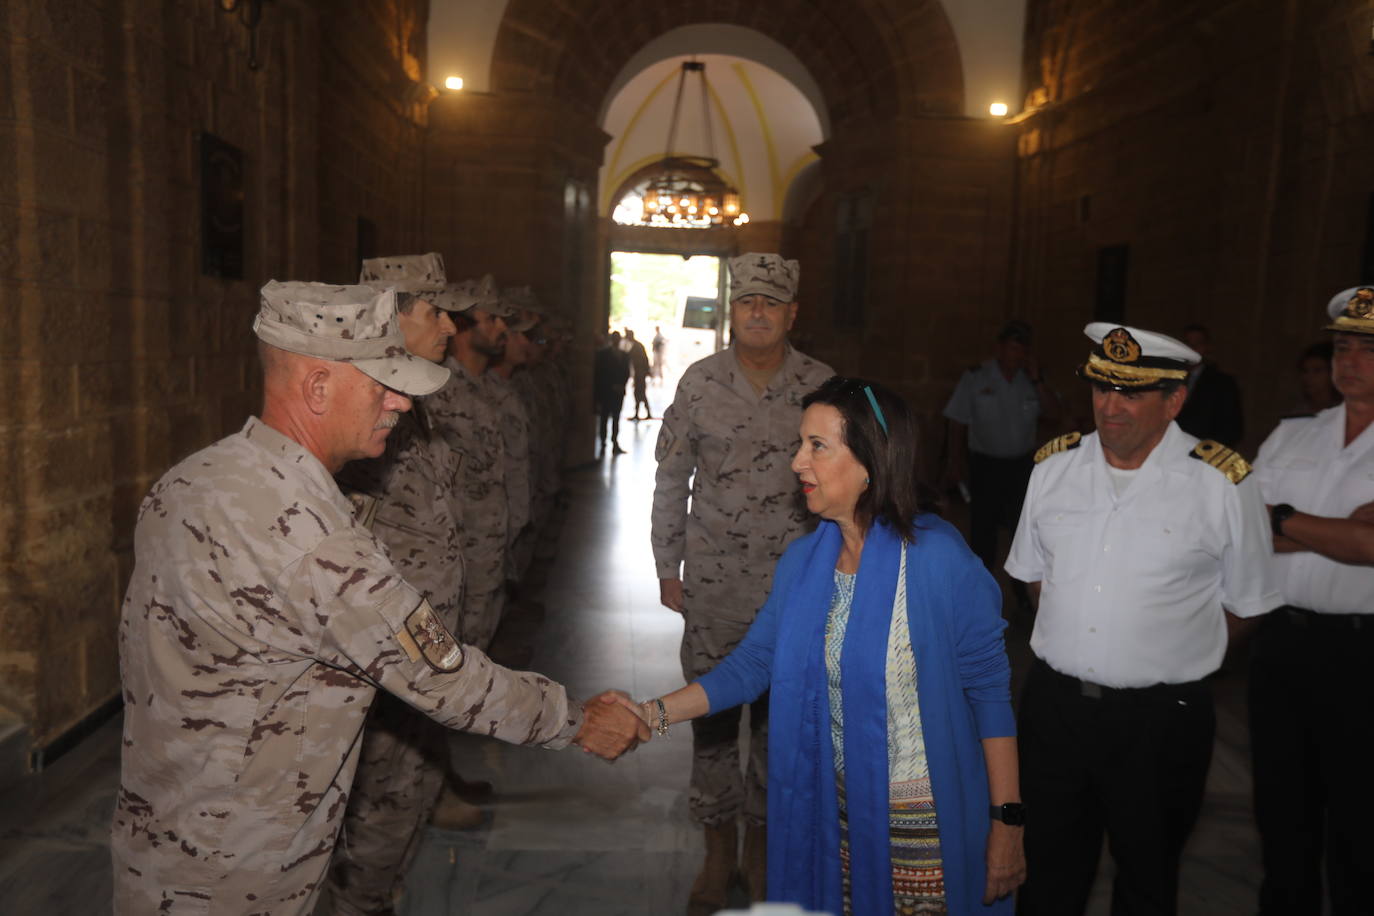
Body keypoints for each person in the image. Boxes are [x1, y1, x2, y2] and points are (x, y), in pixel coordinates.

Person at [110, 280, 648, 915]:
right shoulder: (312, 538)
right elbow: (445, 679)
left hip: (165, 825)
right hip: (242, 862)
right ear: (317, 387)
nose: (399, 401)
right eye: (382, 384)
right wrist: (579, 721)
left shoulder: (194, 477)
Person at [632, 377, 1024, 915]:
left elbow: (990, 696)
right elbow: (752, 664)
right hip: (832, 810)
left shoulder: (938, 564)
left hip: (920, 823)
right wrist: (647, 716)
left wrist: (1007, 822)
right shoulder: (805, 564)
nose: (797, 462)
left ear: (870, 462)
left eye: (817, 446)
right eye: (801, 443)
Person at [1005, 323, 1281, 916]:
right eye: (1102, 389)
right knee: (1047, 876)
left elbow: (1248, 602)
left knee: (1148, 877)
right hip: (1056, 711)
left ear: (1174, 400)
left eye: (1130, 392)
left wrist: (1176, 652)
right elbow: (1032, 575)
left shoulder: (1220, 483)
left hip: (1161, 720)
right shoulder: (1054, 468)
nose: (1110, 406)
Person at [651, 252, 833, 911]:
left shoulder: (822, 385)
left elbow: (848, 484)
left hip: (798, 588)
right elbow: (672, 477)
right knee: (715, 721)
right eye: (745, 302)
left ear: (791, 314)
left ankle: (761, 847)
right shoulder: (700, 383)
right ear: (732, 313)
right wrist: (666, 564)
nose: (756, 313)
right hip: (716, 587)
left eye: (769, 303)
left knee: (784, 726)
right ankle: (716, 850)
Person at [322, 252, 468, 913]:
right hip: (379, 650)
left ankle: (380, 890)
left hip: (424, 640)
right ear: (391, 313)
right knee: (378, 791)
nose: (450, 326)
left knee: (406, 787)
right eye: (434, 311)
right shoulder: (353, 410)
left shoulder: (414, 399)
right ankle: (362, 899)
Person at [1249, 286, 1374, 915]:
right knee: (1282, 811)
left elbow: (1370, 547)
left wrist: (1287, 520)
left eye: (1366, 349)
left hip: (1363, 653)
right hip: (1283, 642)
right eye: (1342, 346)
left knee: (1360, 822)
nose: (1348, 360)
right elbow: (1245, 530)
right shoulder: (1294, 434)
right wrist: (1335, 531)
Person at [942, 320, 1057, 611]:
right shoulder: (977, 378)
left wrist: (1037, 380)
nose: (1018, 355)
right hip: (986, 466)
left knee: (1024, 533)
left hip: (1021, 468)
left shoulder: (1030, 380)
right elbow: (956, 422)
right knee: (983, 534)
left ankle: (1024, 597)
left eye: (1023, 350)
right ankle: (978, 599)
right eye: (1013, 348)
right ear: (1000, 348)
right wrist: (955, 462)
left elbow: (1055, 414)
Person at [1176, 323, 1245, 448]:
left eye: (1198, 343)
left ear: (1207, 347)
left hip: (1203, 454)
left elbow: (1231, 429)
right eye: (1188, 343)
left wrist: (1205, 452)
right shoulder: (1167, 379)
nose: (1192, 348)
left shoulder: (1222, 383)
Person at [593, 330, 630, 455]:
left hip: (618, 393)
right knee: (604, 417)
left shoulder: (625, 355)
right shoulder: (603, 354)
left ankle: (615, 442)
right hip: (607, 392)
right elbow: (600, 374)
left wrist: (621, 385)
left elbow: (627, 373)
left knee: (616, 417)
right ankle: (603, 441)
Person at [1292, 339, 1341, 415]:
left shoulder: (1346, 411)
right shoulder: (1301, 410)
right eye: (1305, 371)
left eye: (1317, 371)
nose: (1308, 377)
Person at [626, 328, 653, 419]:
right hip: (639, 373)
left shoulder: (636, 346)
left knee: (639, 393)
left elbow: (642, 360)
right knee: (639, 393)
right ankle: (642, 413)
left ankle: (644, 413)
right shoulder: (636, 346)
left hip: (640, 374)